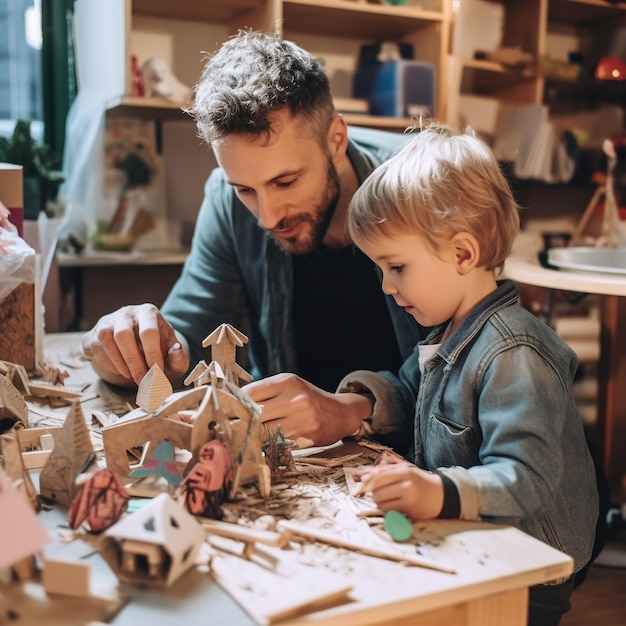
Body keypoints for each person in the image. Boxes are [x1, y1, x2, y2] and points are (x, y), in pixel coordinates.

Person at [81, 31, 425, 448]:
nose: (268, 216)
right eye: (245, 189)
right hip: (301, 457)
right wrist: (128, 348)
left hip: (416, 462)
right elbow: (186, 340)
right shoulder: (225, 200)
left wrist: (353, 408)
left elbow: (467, 366)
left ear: (336, 138)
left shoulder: (424, 185)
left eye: (285, 181)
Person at [340, 122, 598, 625]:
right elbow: (414, 391)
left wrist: (436, 492)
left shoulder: (512, 350)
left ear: (462, 253)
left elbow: (527, 478)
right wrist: (357, 403)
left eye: (396, 267)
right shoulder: (449, 329)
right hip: (482, 538)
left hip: (529, 564)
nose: (387, 288)